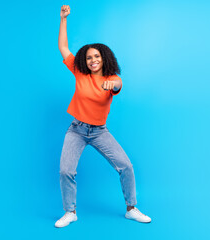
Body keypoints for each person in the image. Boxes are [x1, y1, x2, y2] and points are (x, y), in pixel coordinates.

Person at [55, 5, 151, 228]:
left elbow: (118, 84)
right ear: (84, 61)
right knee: (65, 170)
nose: (92, 60)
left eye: (96, 56)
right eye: (89, 58)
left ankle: (131, 208)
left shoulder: (112, 78)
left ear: (104, 58)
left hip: (99, 132)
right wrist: (63, 19)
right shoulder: (80, 72)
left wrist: (113, 83)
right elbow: (63, 47)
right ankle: (70, 212)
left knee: (126, 166)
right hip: (77, 130)